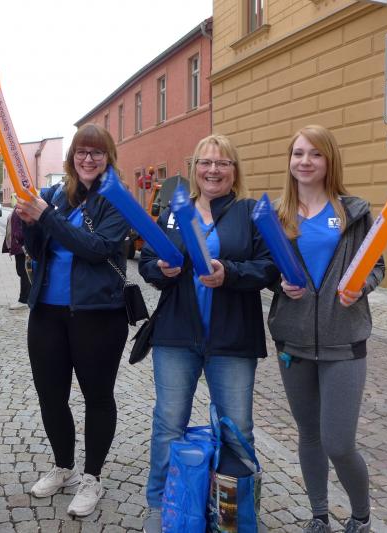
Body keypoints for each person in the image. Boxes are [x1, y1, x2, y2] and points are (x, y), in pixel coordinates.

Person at [138, 134, 278, 533]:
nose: (213, 170)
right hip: (177, 335)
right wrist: (159, 269)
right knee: (169, 423)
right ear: (194, 169)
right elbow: (147, 259)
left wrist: (228, 273)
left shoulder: (249, 212)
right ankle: (160, 506)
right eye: (205, 162)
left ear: (234, 170)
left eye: (222, 163)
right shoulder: (174, 210)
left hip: (232, 338)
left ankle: (235, 514)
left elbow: (269, 267)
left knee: (237, 428)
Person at [267, 125, 384, 533]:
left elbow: (376, 266)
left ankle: (361, 516)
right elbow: (267, 268)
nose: (305, 161)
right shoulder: (276, 216)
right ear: (290, 160)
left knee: (338, 442)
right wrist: (277, 282)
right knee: (309, 435)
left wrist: (361, 286)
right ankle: (318, 515)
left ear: (329, 160)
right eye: (298, 153)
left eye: (315, 154)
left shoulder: (353, 212)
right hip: (293, 340)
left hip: (344, 341)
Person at [14, 123, 130, 518]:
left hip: (98, 315)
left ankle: (92, 477)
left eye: (96, 152)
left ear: (108, 157)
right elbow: (36, 251)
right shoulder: (56, 196)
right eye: (81, 151)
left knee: (97, 397)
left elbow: (95, 249)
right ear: (72, 157)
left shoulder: (116, 199)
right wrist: (30, 223)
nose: (88, 158)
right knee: (51, 396)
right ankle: (64, 467)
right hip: (47, 312)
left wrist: (45, 217)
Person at [2, 209, 31, 309]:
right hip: (19, 247)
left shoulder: (23, 208)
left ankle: (24, 300)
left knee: (24, 273)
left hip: (22, 248)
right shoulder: (18, 208)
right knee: (22, 272)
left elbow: (22, 229)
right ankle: (28, 298)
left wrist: (18, 240)